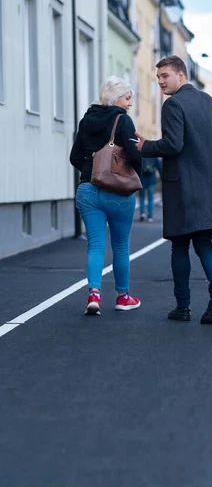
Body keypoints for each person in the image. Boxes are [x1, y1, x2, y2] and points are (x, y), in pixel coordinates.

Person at [136, 55, 212, 324]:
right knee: (203, 243)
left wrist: (146, 147)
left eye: (165, 76)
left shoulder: (173, 104)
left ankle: (183, 306)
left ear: (181, 75)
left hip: (183, 190)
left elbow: (173, 145)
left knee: (179, 246)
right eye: (158, 78)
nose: (161, 82)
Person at [69, 76, 142, 316]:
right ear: (115, 97)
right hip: (118, 193)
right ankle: (123, 296)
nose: (130, 103)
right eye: (127, 97)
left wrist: (93, 172)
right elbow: (134, 154)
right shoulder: (123, 120)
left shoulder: (86, 120)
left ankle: (94, 295)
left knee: (96, 246)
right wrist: (133, 174)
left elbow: (74, 158)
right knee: (120, 246)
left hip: (88, 190)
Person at [139, 158, 162, 222]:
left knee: (142, 197)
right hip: (151, 179)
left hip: (142, 179)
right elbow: (159, 167)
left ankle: (142, 213)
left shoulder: (141, 155)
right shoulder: (154, 156)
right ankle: (150, 215)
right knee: (151, 198)